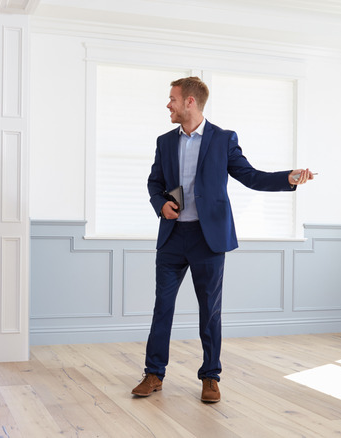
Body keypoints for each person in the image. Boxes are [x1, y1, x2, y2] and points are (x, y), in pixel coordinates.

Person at [132, 77, 314, 403]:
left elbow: (251, 176)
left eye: (172, 99)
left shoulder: (223, 139)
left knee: (210, 312)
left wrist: (287, 178)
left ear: (190, 102)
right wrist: (160, 204)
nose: (168, 105)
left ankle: (210, 377)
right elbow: (154, 183)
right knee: (163, 307)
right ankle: (154, 373)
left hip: (209, 239)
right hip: (173, 238)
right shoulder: (164, 142)